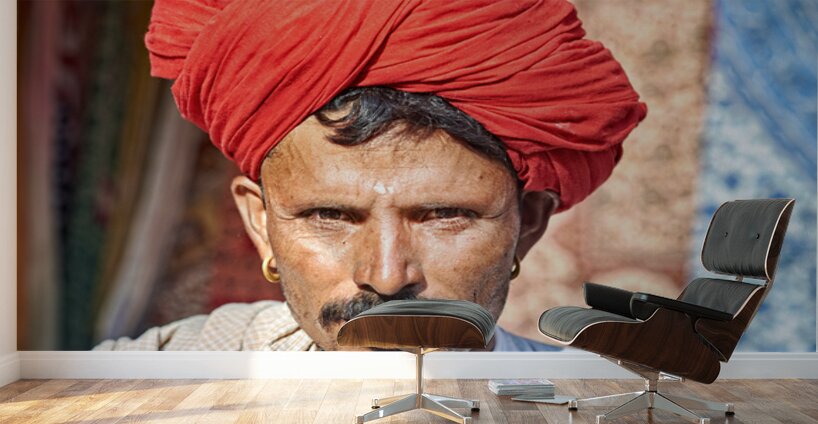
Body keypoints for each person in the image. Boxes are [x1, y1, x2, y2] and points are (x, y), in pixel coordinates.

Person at [94, 0, 646, 351]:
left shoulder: (592, 405)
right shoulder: (152, 378)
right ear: (260, 223)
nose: (387, 277)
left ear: (526, 225)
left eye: (444, 215)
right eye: (330, 216)